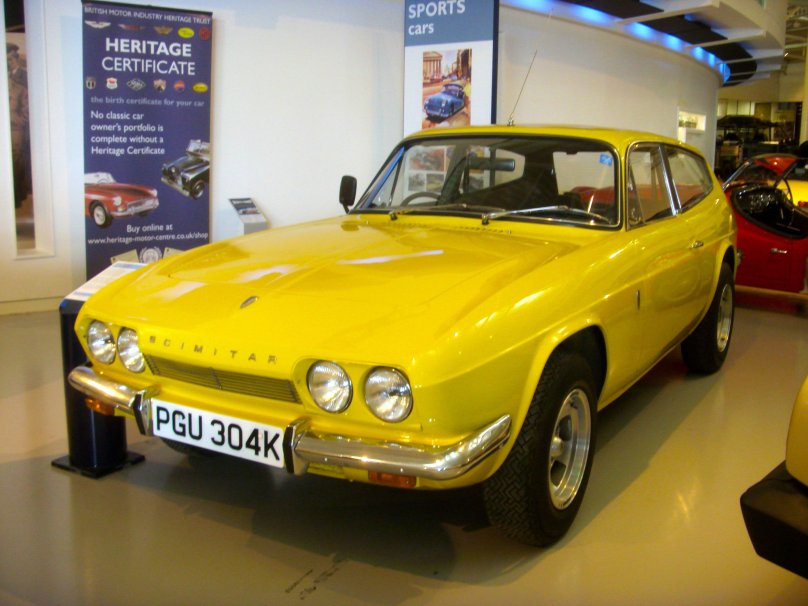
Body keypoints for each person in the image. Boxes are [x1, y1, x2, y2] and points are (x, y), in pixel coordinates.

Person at [7, 42, 31, 208]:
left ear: (16, 58)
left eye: (10, 59)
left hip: (18, 129)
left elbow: (27, 109)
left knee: (18, 163)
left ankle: (18, 197)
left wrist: (15, 119)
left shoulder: (24, 78)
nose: (8, 63)